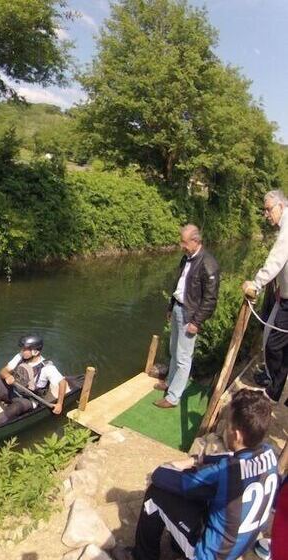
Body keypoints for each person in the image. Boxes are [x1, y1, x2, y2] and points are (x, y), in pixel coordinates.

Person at [115, 389, 278, 560]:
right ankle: (178, 545)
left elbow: (159, 475)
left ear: (236, 434)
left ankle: (141, 556)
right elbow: (228, 458)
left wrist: (171, 466)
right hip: (239, 547)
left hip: (209, 554)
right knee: (197, 489)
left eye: (228, 425)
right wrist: (196, 460)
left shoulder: (224, 474)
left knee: (155, 494)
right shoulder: (269, 454)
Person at [157, 224, 219, 409]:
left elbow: (210, 299)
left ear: (196, 241)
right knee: (174, 348)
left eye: (184, 242)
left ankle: (173, 397)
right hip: (178, 307)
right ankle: (169, 382)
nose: (181, 245)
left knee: (184, 357)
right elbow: (179, 285)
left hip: (190, 314)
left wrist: (196, 321)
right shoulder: (186, 258)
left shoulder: (209, 264)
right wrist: (171, 306)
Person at [243, 190, 288, 405]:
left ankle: (273, 389)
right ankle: (274, 389)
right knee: (280, 346)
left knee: (272, 344)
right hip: (285, 298)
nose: (266, 214)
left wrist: (256, 283)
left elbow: (277, 258)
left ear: (281, 206)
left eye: (269, 209)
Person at [0, 334, 69, 429]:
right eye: (22, 348)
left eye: (25, 349)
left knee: (15, 408)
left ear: (35, 351)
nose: (22, 351)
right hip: (13, 390)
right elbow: (3, 371)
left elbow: (62, 382)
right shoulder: (20, 356)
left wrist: (59, 404)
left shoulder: (47, 368)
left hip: (29, 399)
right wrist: (7, 376)